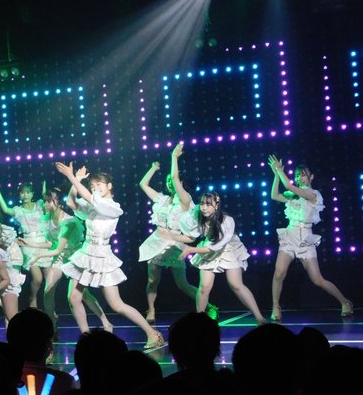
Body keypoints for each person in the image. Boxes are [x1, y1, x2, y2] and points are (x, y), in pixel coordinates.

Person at [54, 161, 165, 350]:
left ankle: (153, 333)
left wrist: (71, 176)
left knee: (116, 304)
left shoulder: (112, 207)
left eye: (99, 184)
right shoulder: (94, 205)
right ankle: (87, 339)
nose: (95, 187)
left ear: (110, 186)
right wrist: (76, 180)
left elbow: (91, 198)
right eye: (92, 185)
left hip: (102, 257)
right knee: (73, 298)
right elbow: (71, 203)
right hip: (86, 253)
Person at [267, 156, 353, 322]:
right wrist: (276, 174)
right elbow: (274, 195)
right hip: (290, 235)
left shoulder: (313, 194)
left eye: (303, 175)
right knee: (279, 273)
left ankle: (345, 302)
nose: (299, 178)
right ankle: (275, 306)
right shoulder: (293, 195)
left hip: (305, 238)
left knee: (317, 279)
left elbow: (288, 185)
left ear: (311, 177)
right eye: (297, 175)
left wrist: (279, 169)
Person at [21, 187, 113, 336]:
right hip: (60, 258)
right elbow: (51, 244)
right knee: (47, 292)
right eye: (45, 201)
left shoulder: (69, 222)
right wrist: (28, 243)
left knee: (82, 295)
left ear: (59, 203)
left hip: (75, 258)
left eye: (50, 201)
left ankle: (105, 322)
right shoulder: (47, 219)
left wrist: (38, 256)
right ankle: (52, 326)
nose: (46, 204)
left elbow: (58, 249)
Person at [137, 143, 207, 322]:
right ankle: (151, 310)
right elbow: (143, 184)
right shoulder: (162, 199)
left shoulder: (185, 200)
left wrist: (174, 157)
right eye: (167, 180)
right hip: (157, 241)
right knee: (152, 280)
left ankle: (207, 306)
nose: (170, 182)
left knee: (182, 283)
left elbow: (175, 177)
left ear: (180, 183)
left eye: (173, 180)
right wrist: (153, 169)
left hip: (175, 243)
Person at [174, 192, 267, 325]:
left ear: (216, 205)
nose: (204, 207)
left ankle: (259, 317)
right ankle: (200, 322)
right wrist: (172, 236)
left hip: (229, 249)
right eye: (202, 204)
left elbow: (215, 247)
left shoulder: (226, 221)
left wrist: (190, 249)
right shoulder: (199, 217)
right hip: (210, 247)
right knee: (204, 286)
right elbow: (191, 236)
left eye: (208, 204)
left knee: (236, 284)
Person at [0, 181, 50, 309]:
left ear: (32, 193)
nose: (25, 195)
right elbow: (6, 209)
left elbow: (46, 200)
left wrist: (44, 188)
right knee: (38, 279)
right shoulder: (19, 210)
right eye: (22, 193)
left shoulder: (39, 204)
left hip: (43, 244)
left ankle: (49, 306)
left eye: (28, 192)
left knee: (50, 281)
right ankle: (33, 299)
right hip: (28, 245)